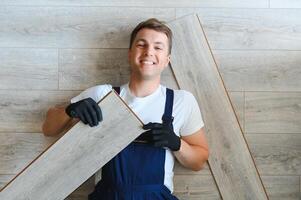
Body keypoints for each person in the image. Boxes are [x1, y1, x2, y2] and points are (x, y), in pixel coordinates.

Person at [42, 18, 209, 200]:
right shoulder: (102, 94)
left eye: (158, 47)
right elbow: (49, 129)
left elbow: (199, 161)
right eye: (141, 44)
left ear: (167, 60)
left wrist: (177, 144)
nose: (148, 52)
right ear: (130, 53)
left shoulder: (181, 101)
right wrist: (70, 110)